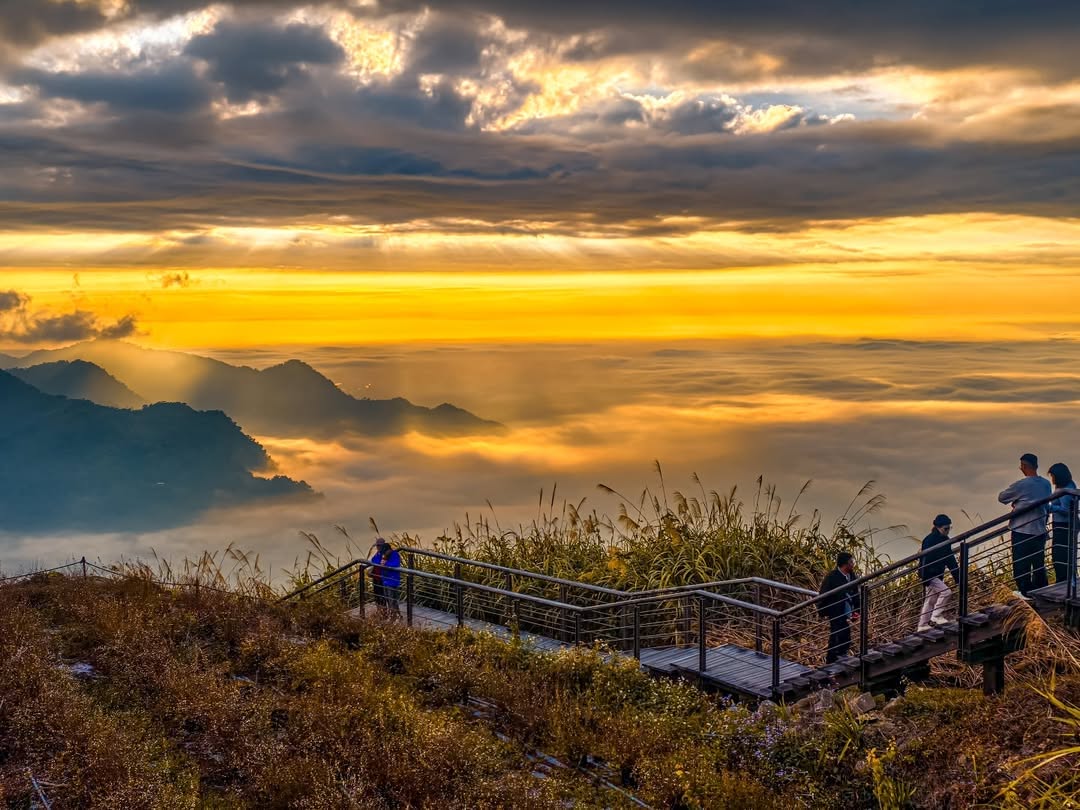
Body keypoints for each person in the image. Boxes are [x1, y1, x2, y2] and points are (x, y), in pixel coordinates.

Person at [998, 452, 1052, 597]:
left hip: (1022, 530)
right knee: (1038, 564)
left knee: (1021, 566)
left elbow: (1002, 497)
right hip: (1040, 530)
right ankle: (1041, 591)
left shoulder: (1022, 485)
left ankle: (1026, 593)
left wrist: (1017, 502)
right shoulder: (1046, 484)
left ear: (1024, 466)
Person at [917, 514, 960, 632]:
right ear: (938, 527)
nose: (948, 531)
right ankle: (936, 616)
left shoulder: (945, 540)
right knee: (946, 592)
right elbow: (924, 559)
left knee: (930, 600)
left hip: (936, 574)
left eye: (949, 528)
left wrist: (958, 578)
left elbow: (950, 559)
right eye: (945, 529)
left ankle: (922, 625)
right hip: (929, 575)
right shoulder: (929, 540)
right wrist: (925, 577)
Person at [818, 551, 861, 664]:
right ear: (845, 564)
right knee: (837, 633)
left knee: (845, 633)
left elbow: (855, 593)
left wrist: (857, 610)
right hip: (835, 610)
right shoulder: (832, 577)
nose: (853, 564)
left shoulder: (852, 576)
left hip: (847, 609)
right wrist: (823, 610)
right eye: (851, 562)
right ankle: (832, 660)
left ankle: (840, 656)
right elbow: (823, 594)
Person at [1048, 462, 1078, 585]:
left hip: (1063, 525)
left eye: (1052, 476)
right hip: (1066, 524)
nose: (1052, 479)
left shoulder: (1065, 490)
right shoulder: (1068, 486)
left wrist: (1050, 508)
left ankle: (1064, 582)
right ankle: (1067, 581)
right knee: (1066, 554)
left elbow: (1066, 510)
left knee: (1060, 555)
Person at [370, 537, 402, 617]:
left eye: (379, 545)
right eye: (377, 545)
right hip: (385, 580)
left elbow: (396, 564)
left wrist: (385, 564)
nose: (378, 547)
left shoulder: (394, 554)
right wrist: (382, 561)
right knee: (387, 598)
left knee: (391, 599)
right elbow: (374, 561)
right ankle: (392, 614)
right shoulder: (381, 554)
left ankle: (394, 615)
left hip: (391, 580)